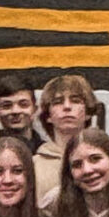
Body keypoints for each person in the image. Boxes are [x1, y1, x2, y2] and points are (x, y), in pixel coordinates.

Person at [32, 76, 98, 209]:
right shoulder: (34, 165)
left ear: (88, 112)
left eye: (75, 101)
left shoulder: (105, 160)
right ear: (48, 116)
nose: (67, 107)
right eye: (58, 102)